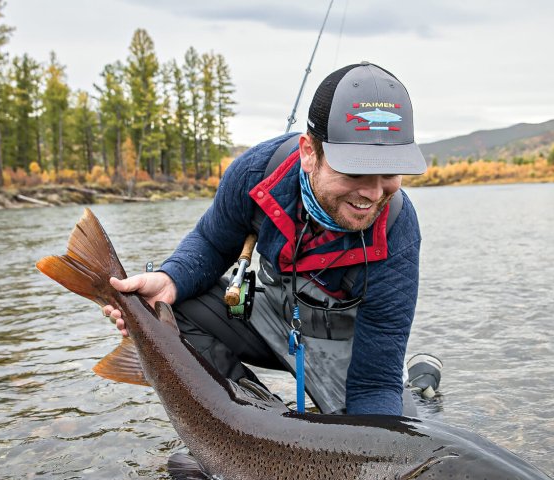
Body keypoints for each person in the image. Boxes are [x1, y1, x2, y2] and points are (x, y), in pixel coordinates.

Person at [104, 61, 438, 416]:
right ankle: (248, 419)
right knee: (169, 308)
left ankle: (420, 384)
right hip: (275, 319)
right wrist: (169, 279)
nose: (373, 193)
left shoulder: (398, 228)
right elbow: (213, 244)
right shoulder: (256, 173)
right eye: (355, 171)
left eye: (389, 172)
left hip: (350, 348)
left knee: (399, 429)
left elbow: (373, 383)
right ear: (309, 152)